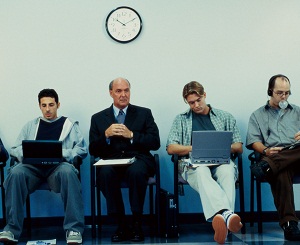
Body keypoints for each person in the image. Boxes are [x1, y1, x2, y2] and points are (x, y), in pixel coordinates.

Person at [0, 89, 87, 244]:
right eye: (44, 105)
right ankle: (11, 229)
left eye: (51, 105)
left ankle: (74, 229)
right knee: (16, 173)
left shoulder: (70, 125)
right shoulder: (30, 125)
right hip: (32, 168)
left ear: (58, 105)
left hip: (58, 167)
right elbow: (15, 149)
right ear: (39, 106)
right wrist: (27, 153)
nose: (48, 109)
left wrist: (61, 153)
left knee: (68, 172)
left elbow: (81, 150)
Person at [166, 81, 243, 244]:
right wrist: (194, 148)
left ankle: (222, 219)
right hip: (194, 165)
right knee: (201, 172)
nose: (195, 105)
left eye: (198, 100)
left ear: (204, 95)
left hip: (221, 161)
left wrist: (220, 147)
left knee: (228, 171)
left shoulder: (225, 116)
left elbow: (238, 146)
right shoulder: (181, 119)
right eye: (191, 103)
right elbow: (171, 147)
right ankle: (227, 216)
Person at [89, 77, 160, 242]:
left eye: (126, 90)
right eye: (119, 91)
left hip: (138, 159)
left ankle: (136, 222)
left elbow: (155, 142)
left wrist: (132, 135)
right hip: (111, 161)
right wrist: (105, 135)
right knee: (105, 173)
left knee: (136, 171)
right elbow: (93, 149)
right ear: (111, 93)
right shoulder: (98, 118)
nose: (123, 95)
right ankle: (120, 223)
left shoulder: (144, 113)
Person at [247, 74, 300, 241]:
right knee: (281, 171)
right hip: (273, 154)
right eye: (280, 93)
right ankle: (289, 224)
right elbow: (254, 141)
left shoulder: (298, 112)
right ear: (270, 91)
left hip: (297, 155)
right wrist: (265, 152)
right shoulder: (258, 115)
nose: (284, 97)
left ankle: (267, 165)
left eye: (287, 93)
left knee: (288, 157)